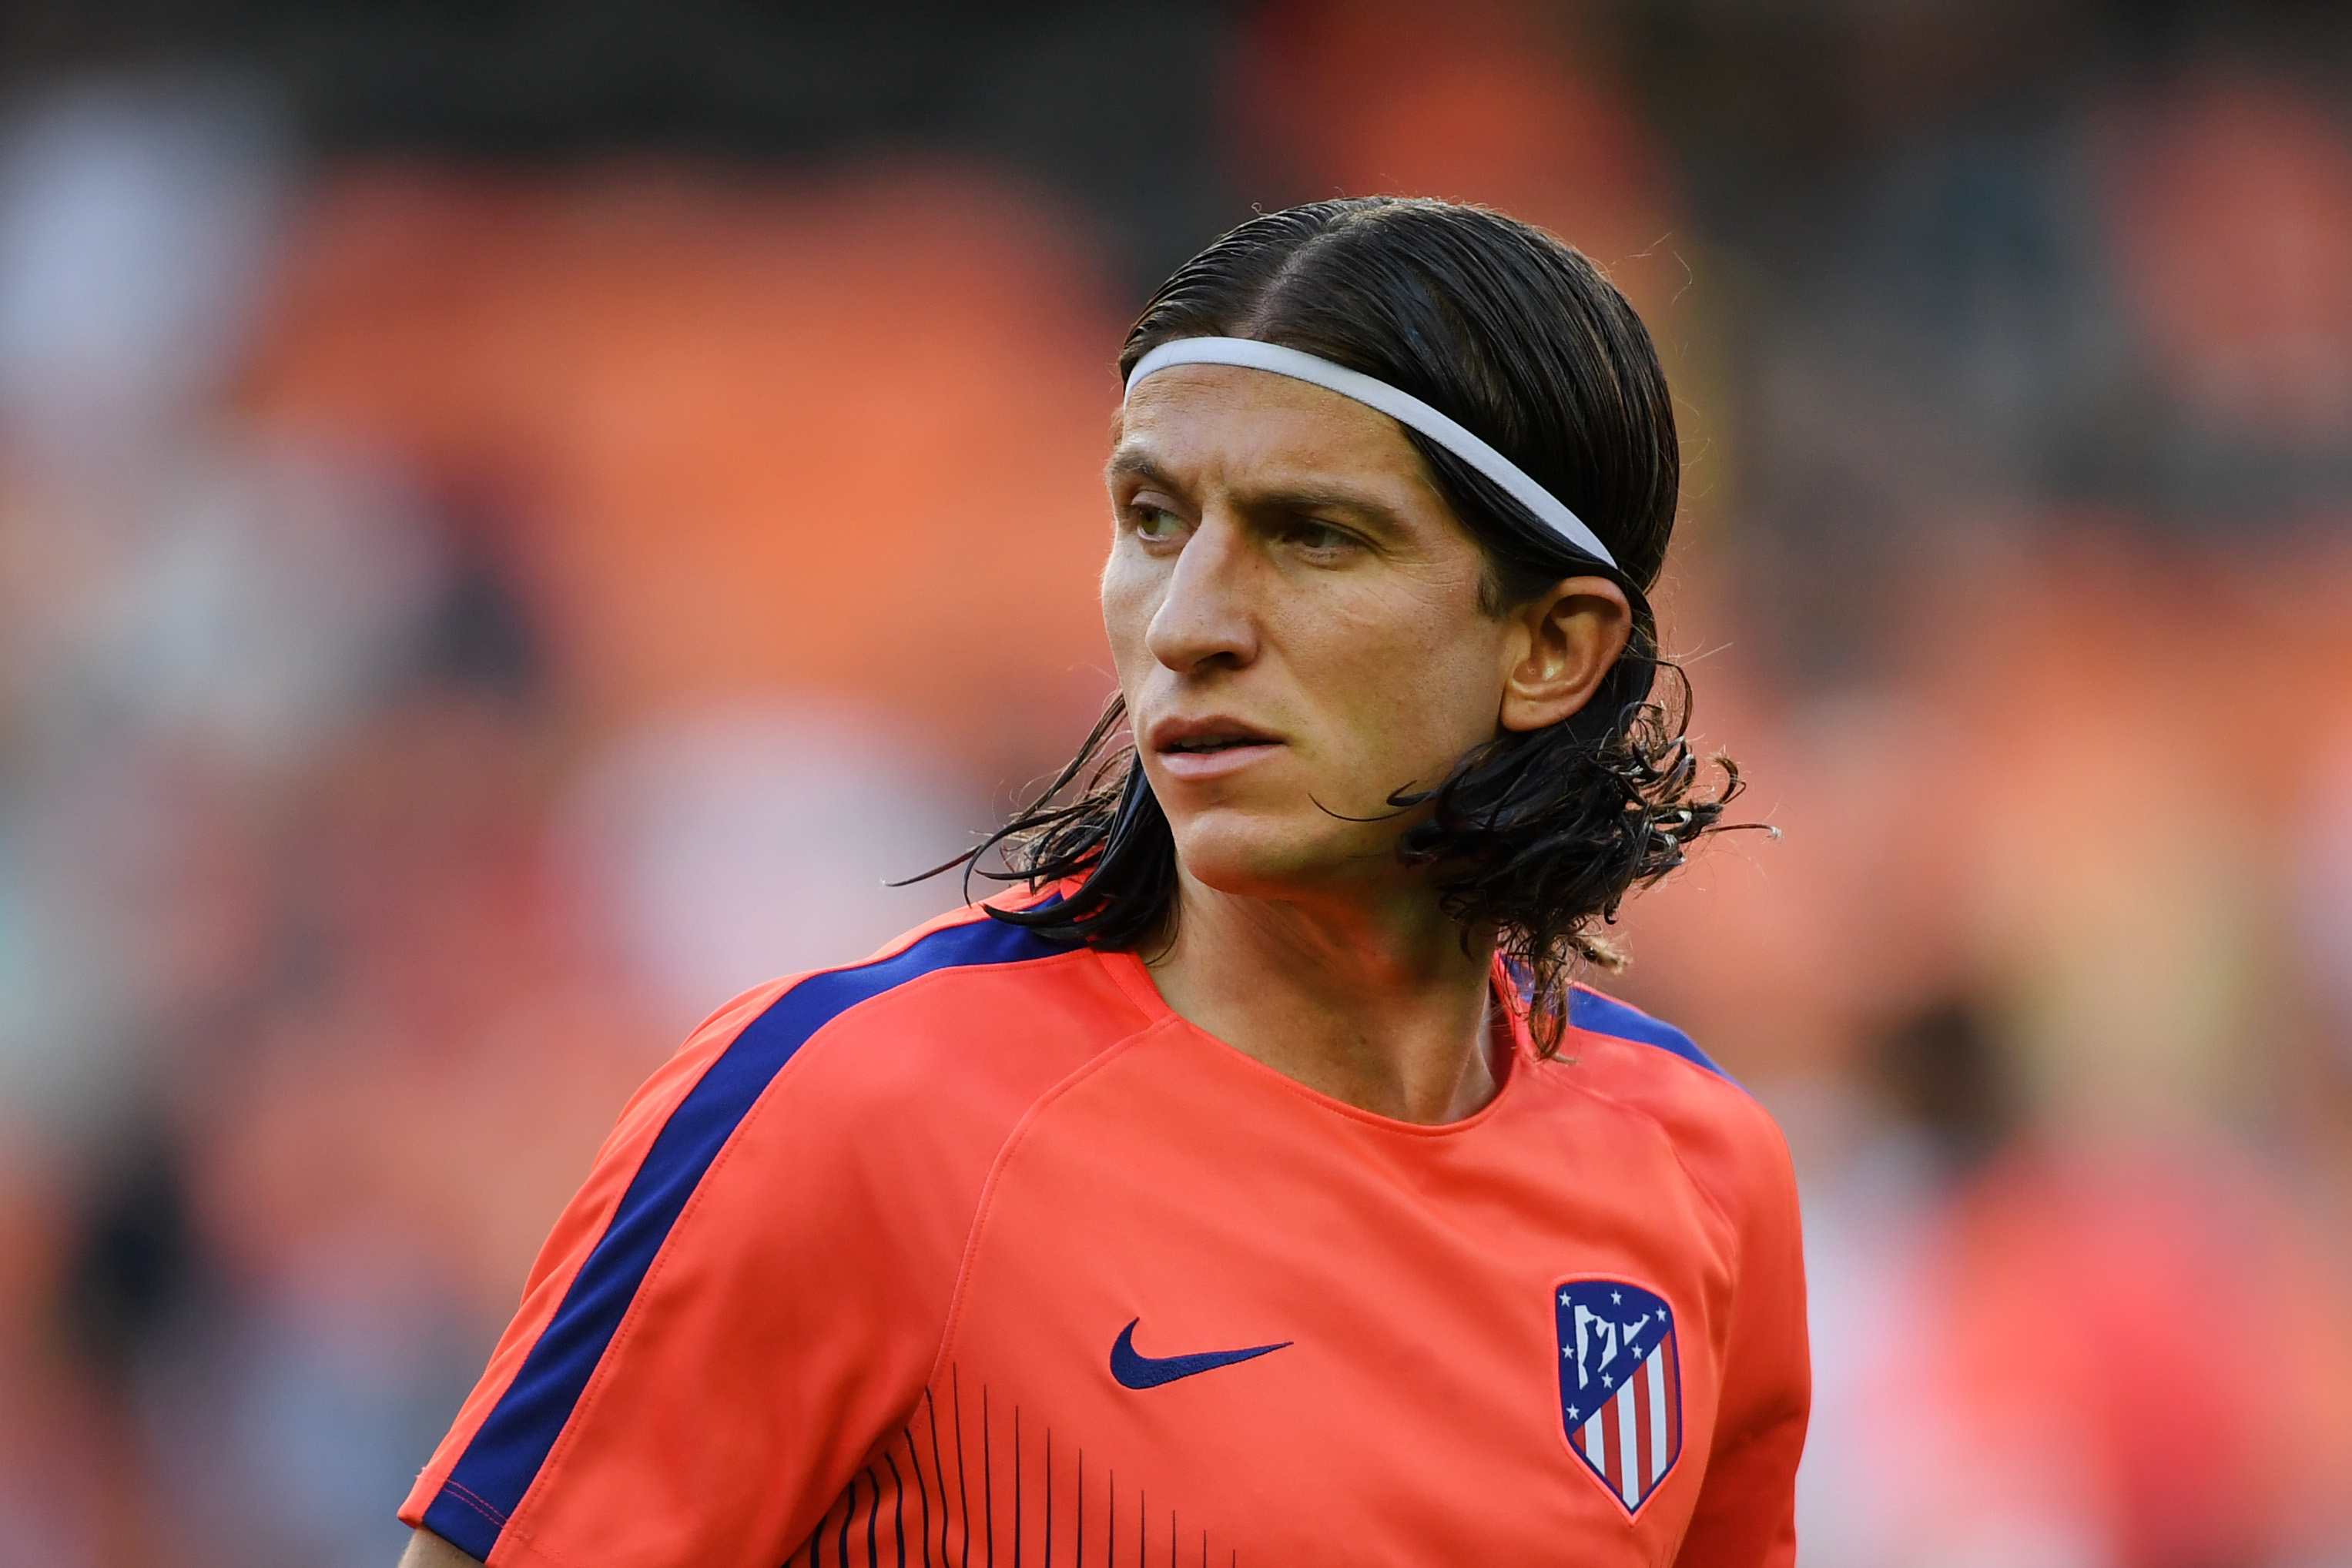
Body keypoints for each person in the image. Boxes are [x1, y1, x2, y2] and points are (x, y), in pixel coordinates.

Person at [395, 196, 1808, 1568]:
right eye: (1151, 520)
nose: (1188, 622)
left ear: (1550, 648)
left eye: (1314, 534)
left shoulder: (1699, 1173)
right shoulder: (851, 1111)